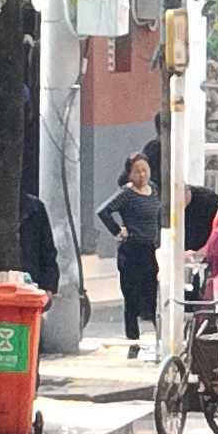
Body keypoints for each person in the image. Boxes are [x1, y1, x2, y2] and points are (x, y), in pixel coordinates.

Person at [98, 152, 164, 354]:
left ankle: (158, 337)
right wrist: (118, 231)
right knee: (132, 296)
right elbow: (104, 211)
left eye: (145, 170)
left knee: (152, 294)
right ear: (130, 174)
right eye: (137, 171)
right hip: (131, 250)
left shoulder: (153, 190)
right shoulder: (126, 194)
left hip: (149, 249)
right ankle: (132, 340)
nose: (142, 175)